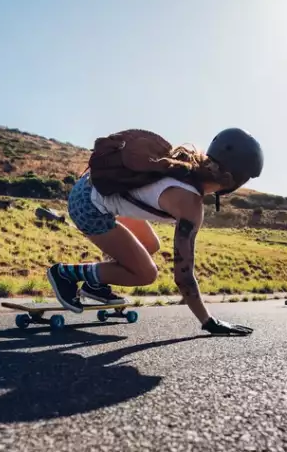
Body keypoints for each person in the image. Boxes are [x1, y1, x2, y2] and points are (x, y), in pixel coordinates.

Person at [48, 128, 263, 336]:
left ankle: (95, 284)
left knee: (151, 245)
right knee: (146, 273)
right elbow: (183, 276)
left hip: (93, 188)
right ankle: (64, 274)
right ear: (233, 180)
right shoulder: (190, 204)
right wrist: (208, 321)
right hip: (88, 206)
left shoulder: (186, 170)